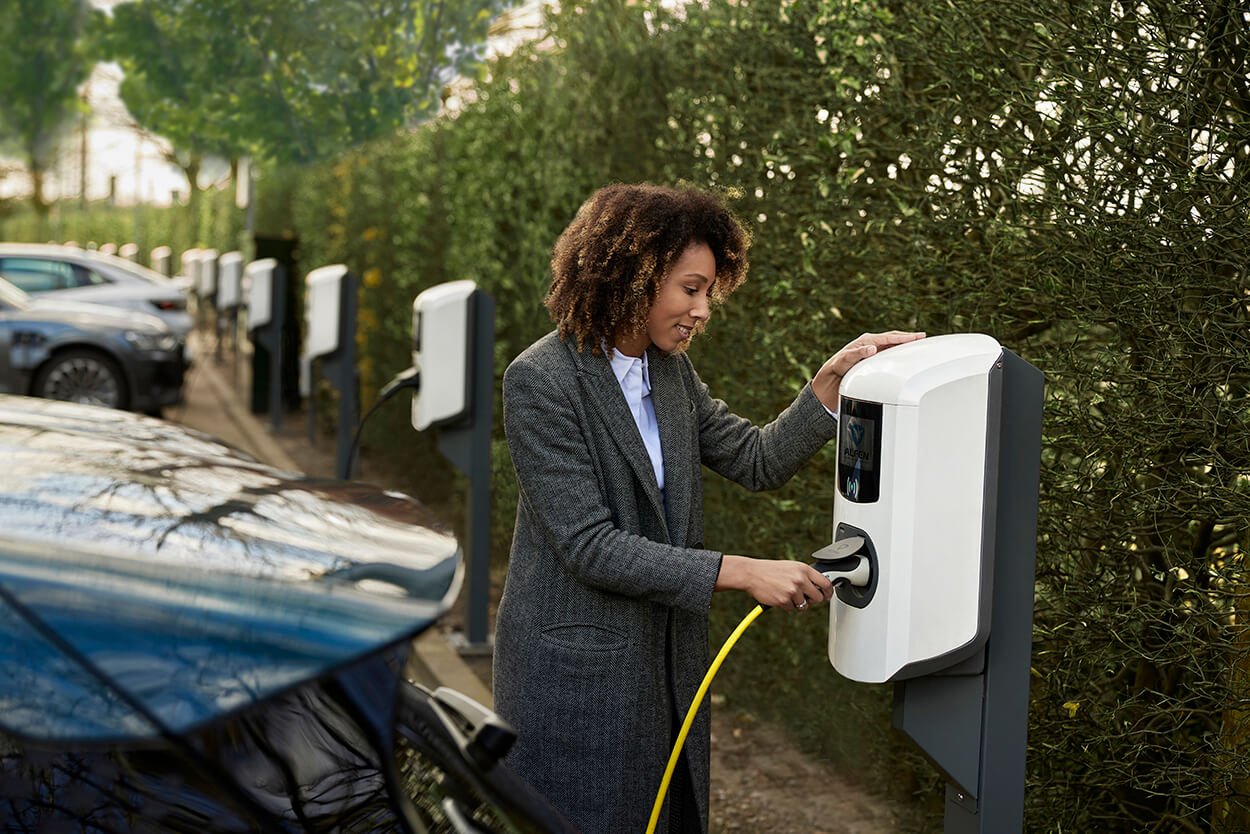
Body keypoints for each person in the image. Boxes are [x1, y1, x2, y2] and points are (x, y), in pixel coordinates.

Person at [493, 182, 923, 834]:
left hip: (666, 665)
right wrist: (744, 571)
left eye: (708, 293)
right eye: (690, 289)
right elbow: (589, 545)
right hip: (577, 678)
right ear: (634, 274)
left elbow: (755, 459)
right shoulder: (541, 380)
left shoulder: (671, 374)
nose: (703, 310)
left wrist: (828, 388)